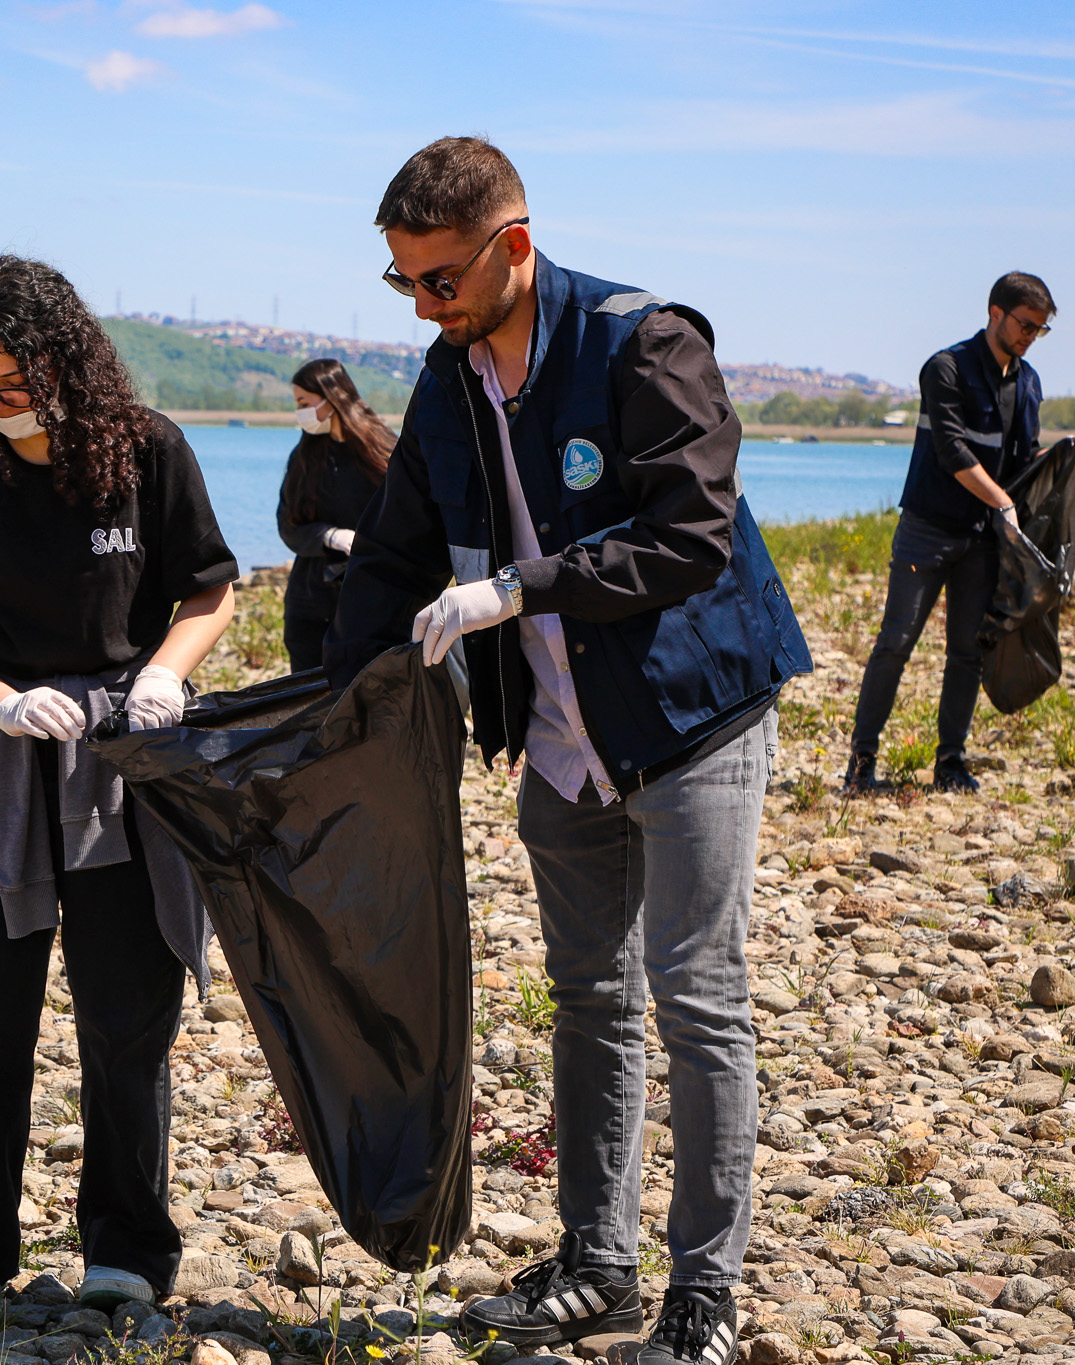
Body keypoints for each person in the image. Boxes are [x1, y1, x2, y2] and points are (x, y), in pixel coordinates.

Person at [326, 137, 811, 1365]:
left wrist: (516, 592)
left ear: (514, 246)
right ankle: (597, 1263)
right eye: (403, 286)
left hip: (689, 715)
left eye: (440, 281)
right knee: (588, 998)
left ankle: (703, 1293)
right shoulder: (445, 380)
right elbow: (393, 553)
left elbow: (689, 535)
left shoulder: (645, 344)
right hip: (555, 740)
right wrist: (327, 707)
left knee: (696, 999)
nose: (426, 308)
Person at [0, 255, 239, 1313]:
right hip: (4, 763)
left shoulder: (149, 450)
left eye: (15, 385)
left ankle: (126, 1251)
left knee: (126, 1019)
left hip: (126, 765)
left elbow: (208, 592)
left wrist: (165, 678)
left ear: (67, 367)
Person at [843, 272, 1056, 795]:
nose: (1030, 336)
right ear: (995, 312)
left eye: (1040, 330)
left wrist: (1063, 460)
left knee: (967, 652)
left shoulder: (1028, 383)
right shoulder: (946, 369)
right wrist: (1003, 500)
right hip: (927, 531)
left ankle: (951, 764)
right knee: (895, 643)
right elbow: (953, 452)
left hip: (984, 541)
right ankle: (861, 763)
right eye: (1025, 325)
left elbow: (1022, 463)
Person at [276, 358, 394, 670]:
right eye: (296, 403)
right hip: (309, 604)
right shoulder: (304, 457)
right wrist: (331, 537)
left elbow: (410, 523)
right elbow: (288, 526)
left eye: (304, 402)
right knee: (308, 702)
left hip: (370, 604)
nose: (299, 411)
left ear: (333, 398)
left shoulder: (386, 452)